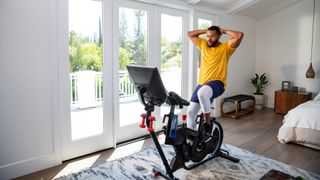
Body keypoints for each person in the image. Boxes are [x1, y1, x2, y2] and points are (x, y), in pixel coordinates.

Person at [187, 26, 244, 134]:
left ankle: (207, 123)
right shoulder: (203, 44)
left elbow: (239, 35)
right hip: (202, 83)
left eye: (212, 36)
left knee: (202, 93)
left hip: (218, 83)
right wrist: (207, 30)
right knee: (190, 113)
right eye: (207, 36)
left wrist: (224, 30)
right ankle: (191, 142)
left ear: (218, 36)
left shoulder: (226, 47)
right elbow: (190, 34)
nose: (209, 38)